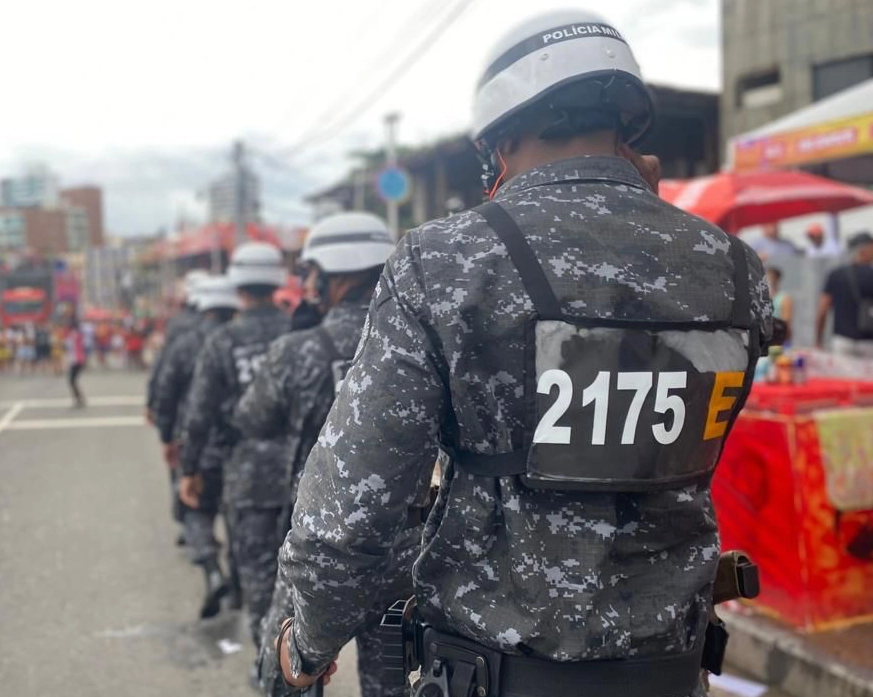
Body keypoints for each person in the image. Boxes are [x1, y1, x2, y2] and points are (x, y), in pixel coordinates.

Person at [274, 10, 774, 697]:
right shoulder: (735, 269)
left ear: (499, 141)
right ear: (625, 128)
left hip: (491, 674)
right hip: (670, 673)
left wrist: (309, 639)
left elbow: (349, 509)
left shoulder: (442, 262)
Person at [233, 213, 419, 696]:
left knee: (286, 676)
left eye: (311, 273)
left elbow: (253, 420)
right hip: (407, 552)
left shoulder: (297, 350)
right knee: (393, 685)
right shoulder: (422, 339)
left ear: (332, 274)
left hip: (319, 544)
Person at [179, 242, 290, 656]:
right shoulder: (299, 331)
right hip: (306, 474)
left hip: (249, 477)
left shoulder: (224, 341)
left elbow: (199, 414)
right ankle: (305, 663)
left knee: (259, 577)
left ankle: (271, 667)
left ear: (238, 286)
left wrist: (189, 470)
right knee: (305, 577)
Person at [153, 275, 240, 617]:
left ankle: (212, 570)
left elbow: (166, 390)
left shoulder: (186, 341)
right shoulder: (239, 340)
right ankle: (238, 588)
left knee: (195, 509)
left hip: (199, 443)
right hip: (237, 448)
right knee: (238, 520)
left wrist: (166, 436)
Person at [145, 269, 209, 421]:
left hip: (186, 408)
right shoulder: (226, 324)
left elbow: (165, 367)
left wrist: (153, 403)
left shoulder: (177, 324)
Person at [816, 231, 873, 358]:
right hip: (869, 342)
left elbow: (823, 310)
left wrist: (818, 339)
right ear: (865, 249)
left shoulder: (836, 274)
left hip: (842, 341)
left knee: (843, 378)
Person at [766, 267, 792, 343]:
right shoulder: (761, 298)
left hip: (778, 339)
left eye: (771, 277)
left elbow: (786, 322)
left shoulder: (785, 298)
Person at [65, 318, 87, 407]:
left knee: (72, 381)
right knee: (72, 381)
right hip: (74, 360)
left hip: (77, 360)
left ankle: (79, 398)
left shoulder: (76, 335)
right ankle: (79, 398)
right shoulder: (71, 335)